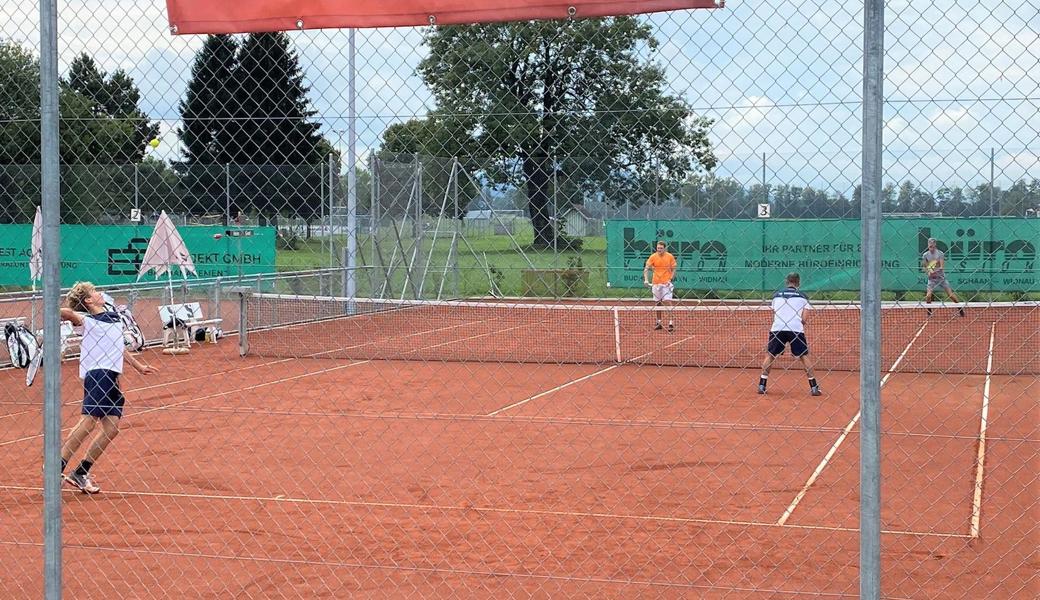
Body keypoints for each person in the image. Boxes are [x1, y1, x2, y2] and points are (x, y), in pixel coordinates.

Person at [58, 282, 157, 494]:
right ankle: (56, 468)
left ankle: (81, 472)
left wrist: (139, 366)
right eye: (94, 292)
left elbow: (117, 346)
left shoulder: (111, 318)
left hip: (111, 377)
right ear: (88, 301)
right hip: (98, 374)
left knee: (111, 428)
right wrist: (54, 311)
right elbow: (68, 313)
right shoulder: (88, 320)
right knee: (88, 422)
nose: (99, 293)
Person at [758, 273, 821, 396]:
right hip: (795, 329)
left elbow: (775, 312)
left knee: (770, 355)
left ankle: (762, 384)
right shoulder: (803, 297)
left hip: (778, 328)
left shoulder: (776, 296)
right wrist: (797, 322)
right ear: (798, 282)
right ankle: (814, 387)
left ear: (786, 281)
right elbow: (804, 319)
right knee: (804, 356)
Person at [921, 237, 965, 317]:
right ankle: (929, 312)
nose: (931, 248)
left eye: (933, 246)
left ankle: (960, 309)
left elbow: (942, 267)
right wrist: (929, 272)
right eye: (930, 246)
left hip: (941, 278)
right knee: (928, 296)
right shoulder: (925, 255)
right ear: (928, 245)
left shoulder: (940, 253)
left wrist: (935, 271)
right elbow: (924, 267)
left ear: (935, 245)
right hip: (932, 279)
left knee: (950, 295)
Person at [643, 240, 677, 331]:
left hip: (666, 284)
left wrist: (670, 279)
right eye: (658, 248)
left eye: (661, 248)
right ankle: (659, 322)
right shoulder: (653, 257)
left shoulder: (670, 256)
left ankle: (671, 323)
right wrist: (646, 280)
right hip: (656, 283)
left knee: (667, 301)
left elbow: (674, 269)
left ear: (665, 248)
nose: (659, 250)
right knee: (657, 303)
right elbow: (646, 269)